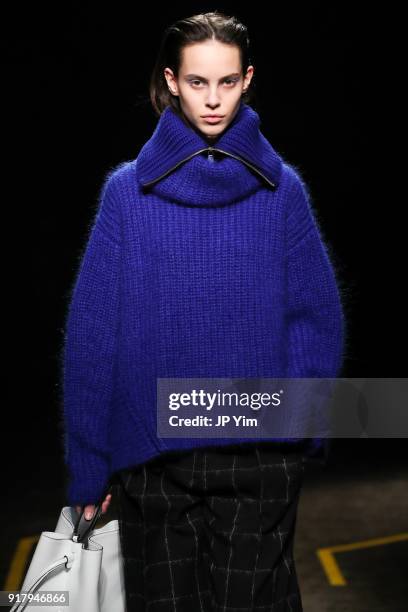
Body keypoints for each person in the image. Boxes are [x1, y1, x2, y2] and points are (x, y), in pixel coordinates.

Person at [61, 10, 346, 611]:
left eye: (226, 82)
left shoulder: (281, 191)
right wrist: (89, 468)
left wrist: (298, 430)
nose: (212, 100)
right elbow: (94, 337)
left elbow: (314, 318)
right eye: (197, 82)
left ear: (247, 81)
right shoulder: (127, 194)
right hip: (155, 460)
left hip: (253, 456)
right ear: (170, 81)